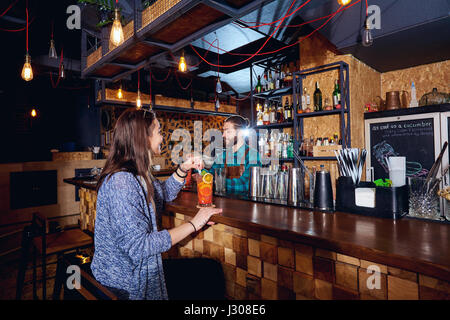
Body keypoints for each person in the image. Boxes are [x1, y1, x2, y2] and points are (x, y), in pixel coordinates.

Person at [91, 108, 223, 300]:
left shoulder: (139, 174)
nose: (162, 138)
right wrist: (195, 223)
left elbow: (164, 194)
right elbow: (140, 246)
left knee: (208, 271)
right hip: (124, 283)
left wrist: (183, 169)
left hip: (136, 273)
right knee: (210, 272)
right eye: (159, 132)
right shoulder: (122, 182)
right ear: (143, 138)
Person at [209, 115, 260, 194]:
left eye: (228, 131)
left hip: (244, 205)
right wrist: (200, 169)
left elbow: (246, 184)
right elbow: (210, 175)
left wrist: (218, 182)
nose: (223, 135)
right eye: (223, 131)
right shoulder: (222, 156)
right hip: (222, 203)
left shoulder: (252, 155)